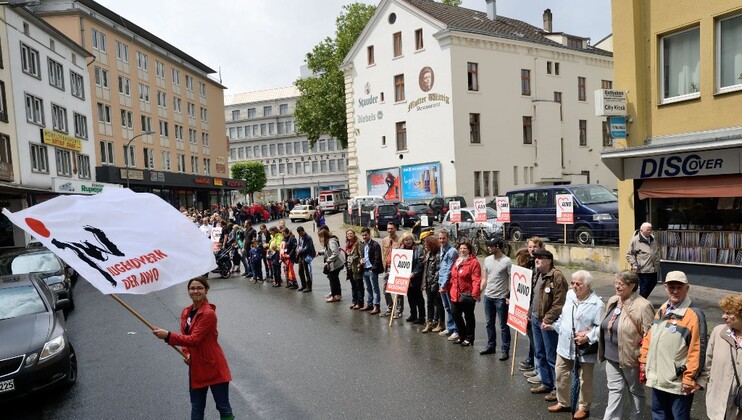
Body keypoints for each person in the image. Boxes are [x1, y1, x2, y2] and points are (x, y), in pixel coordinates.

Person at [152, 277, 234, 420]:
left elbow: (194, 339)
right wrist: (187, 353)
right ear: (188, 291)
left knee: (223, 406)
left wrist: (168, 336)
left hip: (214, 365)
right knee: (197, 406)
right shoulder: (186, 312)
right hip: (196, 367)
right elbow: (186, 339)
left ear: (206, 290)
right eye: (192, 288)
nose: (196, 291)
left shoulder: (208, 314)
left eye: (200, 288)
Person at [639, 271, 707, 420]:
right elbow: (650, 338)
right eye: (671, 287)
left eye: (679, 287)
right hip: (658, 378)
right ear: (665, 288)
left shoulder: (694, 314)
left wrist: (690, 378)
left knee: (679, 417)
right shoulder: (663, 310)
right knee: (659, 415)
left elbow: (698, 350)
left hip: (677, 381)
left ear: (687, 288)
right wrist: (644, 361)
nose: (675, 291)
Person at [546, 271, 605, 420]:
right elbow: (564, 317)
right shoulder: (570, 296)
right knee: (560, 374)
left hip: (584, 348)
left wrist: (587, 337)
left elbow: (601, 327)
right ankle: (563, 402)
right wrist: (553, 325)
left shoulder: (597, 304)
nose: (574, 286)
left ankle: (583, 407)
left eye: (578, 284)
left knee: (584, 379)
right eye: (572, 283)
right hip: (565, 344)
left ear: (588, 285)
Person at [598, 270, 654, 420]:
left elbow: (649, 335)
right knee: (614, 390)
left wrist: (644, 359)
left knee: (635, 391)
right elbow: (604, 324)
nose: (617, 286)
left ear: (633, 286)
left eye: (621, 284)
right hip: (611, 356)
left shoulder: (643, 306)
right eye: (616, 283)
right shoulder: (613, 300)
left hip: (631, 357)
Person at [530, 249, 568, 403]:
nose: (536, 260)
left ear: (549, 261)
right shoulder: (537, 273)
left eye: (540, 258)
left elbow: (559, 303)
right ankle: (546, 383)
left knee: (551, 356)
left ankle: (556, 389)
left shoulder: (557, 276)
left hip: (547, 322)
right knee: (540, 353)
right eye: (535, 258)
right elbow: (533, 296)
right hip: (535, 319)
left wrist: (548, 319)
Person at [699, 294, 742, 420]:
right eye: (723, 312)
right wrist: (701, 382)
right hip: (717, 402)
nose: (723, 316)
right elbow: (708, 362)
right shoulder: (718, 332)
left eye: (729, 313)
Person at [479, 238, 512, 360]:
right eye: (487, 245)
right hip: (488, 296)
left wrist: (509, 295)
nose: (488, 248)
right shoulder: (487, 260)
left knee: (503, 325)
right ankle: (491, 346)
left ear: (497, 247)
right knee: (489, 323)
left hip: (501, 298)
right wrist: (479, 292)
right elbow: (484, 279)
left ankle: (505, 349)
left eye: (490, 246)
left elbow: (512, 279)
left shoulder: (507, 261)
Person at [448, 241, 481, 347]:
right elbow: (453, 277)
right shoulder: (457, 260)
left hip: (467, 295)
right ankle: (462, 335)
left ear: (469, 250)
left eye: (465, 248)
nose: (462, 250)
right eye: (461, 248)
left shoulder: (474, 263)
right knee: (455, 314)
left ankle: (469, 338)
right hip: (455, 294)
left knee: (469, 317)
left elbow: (476, 279)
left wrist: (475, 294)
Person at [520, 237, 545, 373]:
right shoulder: (528, 262)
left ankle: (539, 370)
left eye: (535, 246)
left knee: (538, 342)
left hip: (537, 310)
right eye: (530, 247)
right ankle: (534, 364)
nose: (532, 249)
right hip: (527, 307)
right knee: (532, 338)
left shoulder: (543, 264)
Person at [626, 222, 660, 298]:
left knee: (653, 283)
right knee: (644, 287)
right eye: (648, 229)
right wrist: (634, 264)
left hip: (654, 267)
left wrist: (658, 260)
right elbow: (629, 254)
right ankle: (641, 301)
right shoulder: (635, 240)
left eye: (650, 229)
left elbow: (656, 251)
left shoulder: (653, 239)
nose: (650, 231)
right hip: (643, 269)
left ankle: (640, 299)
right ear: (642, 230)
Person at [438, 230, 459, 341]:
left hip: (447, 283)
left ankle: (456, 330)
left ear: (448, 238)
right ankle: (450, 327)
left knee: (452, 307)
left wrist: (443, 284)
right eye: (440, 238)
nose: (441, 241)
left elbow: (450, 269)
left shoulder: (452, 251)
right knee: (446, 307)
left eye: (443, 238)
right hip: (441, 281)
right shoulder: (442, 249)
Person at [400, 232, 425, 324]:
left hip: (416, 278)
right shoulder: (401, 250)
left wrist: (414, 273)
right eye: (406, 240)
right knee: (410, 297)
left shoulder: (419, 249)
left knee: (418, 298)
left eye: (409, 239)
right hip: (406, 279)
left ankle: (422, 316)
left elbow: (420, 263)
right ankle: (413, 314)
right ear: (403, 241)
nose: (408, 241)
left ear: (412, 240)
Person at [359, 227, 383, 314]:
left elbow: (378, 258)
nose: (364, 237)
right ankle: (369, 304)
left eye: (366, 235)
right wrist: (361, 260)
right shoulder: (362, 244)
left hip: (372, 270)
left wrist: (373, 269)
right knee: (368, 288)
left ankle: (376, 306)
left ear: (369, 234)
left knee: (375, 288)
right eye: (363, 235)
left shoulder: (375, 244)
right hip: (365, 269)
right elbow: (362, 255)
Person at [421, 235, 443, 333]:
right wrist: (424, 283)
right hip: (429, 283)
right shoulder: (428, 254)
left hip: (436, 284)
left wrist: (434, 283)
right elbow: (426, 269)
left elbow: (438, 270)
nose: (425, 246)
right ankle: (429, 323)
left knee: (439, 304)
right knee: (429, 303)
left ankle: (440, 323)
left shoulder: (438, 255)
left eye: (427, 244)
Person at [381, 222, 403, 318]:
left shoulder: (400, 240)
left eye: (391, 228)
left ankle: (398, 310)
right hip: (388, 268)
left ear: (395, 229)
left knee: (397, 291)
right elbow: (384, 254)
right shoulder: (384, 240)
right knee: (385, 290)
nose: (390, 230)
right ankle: (390, 308)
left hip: (397, 269)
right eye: (388, 228)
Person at [319, 228, 344, 302]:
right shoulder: (329, 241)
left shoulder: (331, 241)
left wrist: (328, 261)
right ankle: (337, 295)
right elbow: (327, 251)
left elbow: (335, 253)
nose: (320, 239)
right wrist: (320, 252)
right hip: (335, 263)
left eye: (320, 236)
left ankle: (334, 296)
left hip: (336, 263)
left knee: (333, 279)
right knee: (335, 279)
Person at [345, 229, 364, 309]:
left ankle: (360, 303)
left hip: (356, 267)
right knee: (353, 285)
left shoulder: (358, 243)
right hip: (350, 267)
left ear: (354, 234)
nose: (349, 235)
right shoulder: (347, 244)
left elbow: (361, 256)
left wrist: (359, 266)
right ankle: (354, 301)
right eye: (348, 234)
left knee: (359, 285)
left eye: (351, 233)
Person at [296, 226, 315, 292]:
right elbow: (299, 245)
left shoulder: (308, 238)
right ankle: (303, 285)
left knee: (307, 272)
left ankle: (309, 287)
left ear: (303, 231)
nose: (300, 235)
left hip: (306, 256)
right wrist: (297, 249)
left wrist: (300, 250)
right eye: (299, 233)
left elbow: (308, 248)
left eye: (301, 233)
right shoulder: (300, 237)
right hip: (301, 256)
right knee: (300, 271)